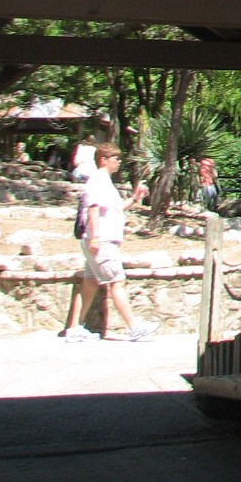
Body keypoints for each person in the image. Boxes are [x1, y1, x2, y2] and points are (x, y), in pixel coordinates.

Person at [63, 144, 157, 342]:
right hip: (102, 240)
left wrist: (135, 198)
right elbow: (93, 209)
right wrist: (95, 236)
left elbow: (114, 209)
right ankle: (134, 327)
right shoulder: (98, 181)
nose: (119, 162)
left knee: (90, 283)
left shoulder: (104, 182)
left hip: (100, 239)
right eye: (115, 158)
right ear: (103, 160)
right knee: (117, 281)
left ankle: (74, 329)